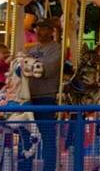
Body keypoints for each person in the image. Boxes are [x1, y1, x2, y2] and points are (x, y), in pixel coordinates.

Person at [21, 20, 65, 171]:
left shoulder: (56, 49)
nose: (39, 32)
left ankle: (49, 167)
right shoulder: (32, 49)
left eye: (44, 29)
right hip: (28, 98)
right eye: (38, 28)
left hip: (45, 95)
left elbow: (45, 69)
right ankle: (25, 166)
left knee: (47, 136)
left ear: (51, 31)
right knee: (25, 135)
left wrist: (29, 65)